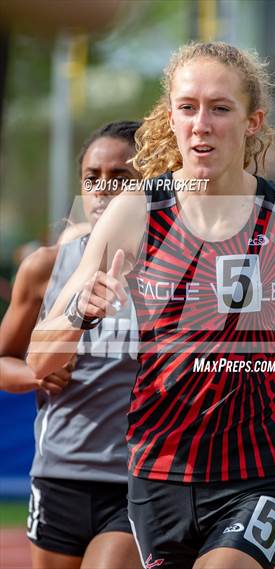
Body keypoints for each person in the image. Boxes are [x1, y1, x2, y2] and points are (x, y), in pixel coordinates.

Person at [27, 42, 275, 569]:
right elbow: (40, 361)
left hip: (259, 468)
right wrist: (80, 311)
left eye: (220, 108)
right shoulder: (136, 212)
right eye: (187, 107)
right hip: (158, 471)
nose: (201, 124)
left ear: (252, 121)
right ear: (171, 116)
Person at [0, 121, 141, 569]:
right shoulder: (46, 267)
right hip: (59, 472)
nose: (103, 189)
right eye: (92, 177)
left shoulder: (175, 270)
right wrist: (35, 373)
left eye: (120, 178)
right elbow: (3, 360)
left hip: (139, 479)